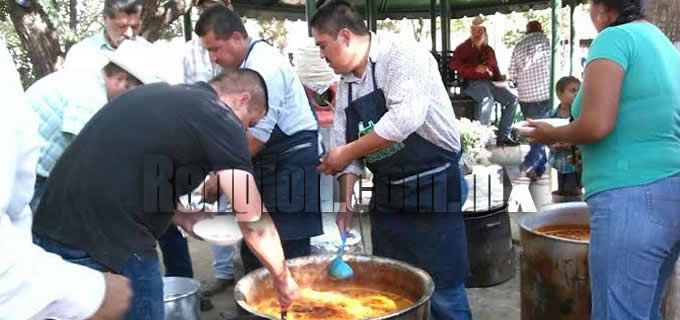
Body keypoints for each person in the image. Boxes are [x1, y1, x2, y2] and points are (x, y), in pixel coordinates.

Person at [32, 68, 300, 319]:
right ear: (243, 100)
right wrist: (282, 277)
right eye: (249, 123)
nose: (244, 131)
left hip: (50, 229)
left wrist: (179, 214)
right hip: (108, 237)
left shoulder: (160, 96)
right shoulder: (219, 115)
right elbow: (253, 219)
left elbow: (127, 168)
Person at [310, 1, 471, 319]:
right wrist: (345, 202)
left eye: (322, 45)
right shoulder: (346, 87)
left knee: (443, 292)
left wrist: (346, 153)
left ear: (344, 36)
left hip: (434, 185)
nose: (321, 56)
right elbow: (346, 148)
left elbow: (404, 120)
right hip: (388, 195)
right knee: (392, 286)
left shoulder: (401, 54)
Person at [521, 0, 680, 318]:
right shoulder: (660, 41)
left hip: (631, 198)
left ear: (603, 9)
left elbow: (596, 124)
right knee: (644, 311)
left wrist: (550, 135)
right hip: (670, 193)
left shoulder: (614, 38)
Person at [0, 35, 132, 320]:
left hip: (38, 176)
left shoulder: (92, 86)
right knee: (55, 241)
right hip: (39, 181)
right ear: (120, 79)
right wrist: (88, 293)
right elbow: (88, 165)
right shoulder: (91, 97)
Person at [196, 5, 324, 274]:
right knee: (255, 238)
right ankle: (257, 304)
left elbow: (255, 138)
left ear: (235, 37)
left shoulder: (265, 67)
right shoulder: (238, 68)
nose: (213, 58)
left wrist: (219, 179)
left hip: (291, 159)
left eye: (215, 49)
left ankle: (294, 307)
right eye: (208, 50)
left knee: (290, 248)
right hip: (261, 160)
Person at [157, 0, 237, 299]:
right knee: (213, 207)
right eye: (202, 5)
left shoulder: (241, 40)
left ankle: (248, 266)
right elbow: (186, 95)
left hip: (237, 132)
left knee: (243, 205)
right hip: (203, 138)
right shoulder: (189, 51)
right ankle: (223, 273)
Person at [29, 40, 159, 212]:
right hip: (33, 178)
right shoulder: (90, 95)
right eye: (134, 94)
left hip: (36, 170)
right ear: (120, 79)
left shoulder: (89, 81)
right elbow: (90, 158)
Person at [451, 16, 519, 147]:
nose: (477, 33)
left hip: (490, 83)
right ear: (471, 31)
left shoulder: (489, 50)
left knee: (512, 99)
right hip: (471, 83)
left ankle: (504, 136)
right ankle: (479, 140)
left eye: (480, 31)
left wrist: (501, 80)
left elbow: (496, 69)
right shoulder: (462, 48)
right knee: (487, 99)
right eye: (474, 30)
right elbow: (455, 65)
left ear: (485, 32)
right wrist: (474, 69)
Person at [509, 20, 552, 179]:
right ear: (541, 30)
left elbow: (512, 73)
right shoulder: (549, 43)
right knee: (542, 131)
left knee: (535, 131)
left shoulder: (519, 46)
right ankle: (529, 163)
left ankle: (539, 169)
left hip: (525, 96)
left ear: (527, 31)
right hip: (545, 93)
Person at [64, 0, 149, 71]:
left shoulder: (149, 53)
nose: (129, 34)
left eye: (135, 27)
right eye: (121, 26)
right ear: (105, 18)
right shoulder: (81, 55)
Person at [548, 76, 582, 196]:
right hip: (558, 154)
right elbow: (547, 131)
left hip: (573, 154)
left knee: (573, 174)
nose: (576, 94)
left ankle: (574, 189)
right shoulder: (552, 114)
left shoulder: (580, 114)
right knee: (561, 171)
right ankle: (562, 188)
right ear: (559, 94)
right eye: (572, 91)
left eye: (579, 90)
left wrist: (569, 144)